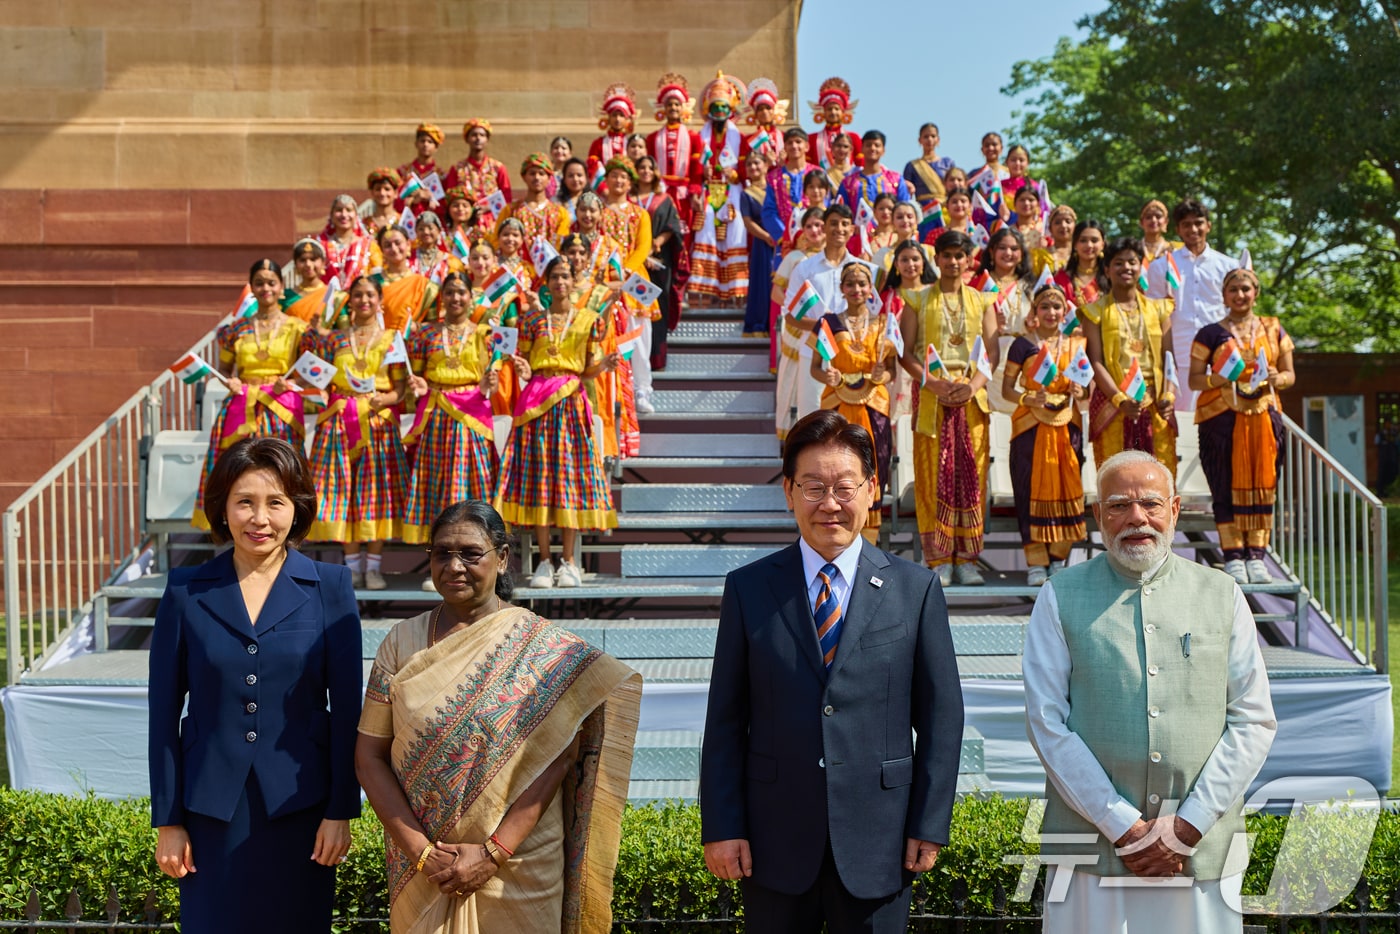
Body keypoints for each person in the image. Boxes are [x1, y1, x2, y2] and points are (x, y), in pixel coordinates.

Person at [700, 408, 964, 934]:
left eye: (844, 487)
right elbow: (726, 720)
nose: (830, 504)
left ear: (871, 491)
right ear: (789, 491)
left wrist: (929, 824)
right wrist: (723, 826)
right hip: (773, 843)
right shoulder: (749, 589)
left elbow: (942, 718)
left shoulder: (916, 590)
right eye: (813, 486)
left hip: (881, 841)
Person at [356, 501, 640, 933]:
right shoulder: (402, 642)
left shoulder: (544, 648)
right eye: (441, 553)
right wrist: (423, 853)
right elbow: (369, 755)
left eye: (471, 553)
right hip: (424, 870)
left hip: (520, 866)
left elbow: (556, 761)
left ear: (502, 557)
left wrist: (493, 853)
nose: (454, 566)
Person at [1023, 450, 1277, 934]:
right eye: (1118, 505)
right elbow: (1046, 722)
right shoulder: (1059, 595)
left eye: (1151, 504)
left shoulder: (1222, 593)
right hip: (1086, 854)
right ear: (1098, 516)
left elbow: (1254, 720)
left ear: (1175, 510)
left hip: (1200, 853)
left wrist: (1187, 826)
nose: (1136, 518)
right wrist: (1125, 826)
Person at [150, 436, 362, 933]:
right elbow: (163, 712)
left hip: (303, 810)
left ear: (298, 509)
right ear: (223, 508)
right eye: (244, 501)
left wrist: (340, 810)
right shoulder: (186, 590)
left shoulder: (330, 588)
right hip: (209, 814)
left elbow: (349, 709)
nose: (259, 518)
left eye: (275, 503)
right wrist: (168, 820)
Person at [495, 257, 619, 589]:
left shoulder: (588, 320)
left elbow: (587, 369)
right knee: (540, 479)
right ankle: (543, 562)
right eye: (555, 276)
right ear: (546, 282)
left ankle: (569, 561)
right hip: (535, 403)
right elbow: (522, 361)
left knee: (569, 480)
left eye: (565, 275)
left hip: (569, 402)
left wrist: (603, 364)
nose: (560, 281)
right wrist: (521, 368)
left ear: (573, 279)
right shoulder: (532, 321)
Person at [896, 229, 1000, 585]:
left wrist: (972, 386)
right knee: (933, 479)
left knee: (970, 479)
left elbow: (993, 351)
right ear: (936, 260)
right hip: (931, 400)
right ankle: (937, 558)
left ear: (969, 260)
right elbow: (905, 352)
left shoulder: (983, 300)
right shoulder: (916, 300)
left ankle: (967, 559)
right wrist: (932, 382)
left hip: (972, 400)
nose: (953, 262)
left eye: (960, 255)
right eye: (947, 255)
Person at [1189, 265, 1295, 585]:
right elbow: (1194, 379)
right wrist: (1216, 378)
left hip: (1263, 417)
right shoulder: (1210, 333)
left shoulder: (1273, 328)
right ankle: (1233, 553)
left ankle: (1257, 555)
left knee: (1263, 486)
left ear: (1256, 293)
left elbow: (1290, 375)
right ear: (1224, 296)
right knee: (1224, 484)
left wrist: (1280, 378)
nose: (1240, 295)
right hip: (1220, 418)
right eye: (1233, 290)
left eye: (1246, 289)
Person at [306, 276, 410, 589]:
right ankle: (351, 566)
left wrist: (387, 398)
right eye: (358, 295)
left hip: (377, 420)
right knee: (342, 489)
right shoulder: (334, 339)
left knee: (375, 490)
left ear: (380, 300)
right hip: (339, 420)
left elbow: (401, 387)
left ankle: (374, 567)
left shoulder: (393, 338)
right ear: (349, 301)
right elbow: (320, 379)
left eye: (370, 295)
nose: (364, 300)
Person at [193, 260, 310, 531]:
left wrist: (290, 382)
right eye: (259, 283)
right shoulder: (235, 329)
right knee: (236, 469)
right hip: (242, 405)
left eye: (271, 282)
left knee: (282, 469)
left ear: (282, 288)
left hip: (279, 407)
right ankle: (234, 528)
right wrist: (229, 382)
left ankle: (287, 529)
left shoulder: (298, 328)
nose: (265, 288)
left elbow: (308, 372)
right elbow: (223, 371)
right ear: (252, 289)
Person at [401, 272, 507, 553]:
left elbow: (493, 372)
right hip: (437, 416)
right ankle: (440, 554)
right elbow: (419, 374)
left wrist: (489, 383)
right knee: (436, 485)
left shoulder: (486, 335)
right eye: (450, 292)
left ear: (471, 298)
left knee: (475, 483)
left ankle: (480, 552)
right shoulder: (426, 333)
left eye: (461, 292)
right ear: (442, 298)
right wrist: (421, 384)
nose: (455, 298)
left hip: (472, 416)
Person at [1000, 283, 1088, 586]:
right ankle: (1035, 561)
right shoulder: (1022, 344)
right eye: (1045, 307)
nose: (1051, 312)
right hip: (1029, 427)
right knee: (1028, 493)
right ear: (1034, 312)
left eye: (1056, 307)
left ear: (1065, 312)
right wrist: (1027, 399)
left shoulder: (1077, 344)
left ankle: (1059, 558)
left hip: (1067, 425)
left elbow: (1085, 388)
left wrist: (1081, 389)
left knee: (1069, 492)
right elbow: (1007, 389)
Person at [810, 263, 896, 541]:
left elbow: (893, 368)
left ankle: (869, 539)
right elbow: (815, 367)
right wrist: (828, 375)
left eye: (862, 284)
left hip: (874, 405)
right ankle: (835, 532)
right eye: (851, 284)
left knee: (874, 464)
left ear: (870, 289)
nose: (857, 289)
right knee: (835, 464)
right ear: (842, 288)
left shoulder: (884, 323)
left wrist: (885, 373)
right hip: (837, 401)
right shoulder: (829, 322)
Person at [1083, 236, 1179, 478]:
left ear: (1141, 268)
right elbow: (1095, 361)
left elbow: (1169, 358)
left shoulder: (1160, 309)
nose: (1126, 267)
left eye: (1132, 262)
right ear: (1107, 269)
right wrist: (1120, 400)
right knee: (1116, 476)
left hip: (1156, 402)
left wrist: (1168, 394)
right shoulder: (1094, 312)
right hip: (1112, 401)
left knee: (1159, 476)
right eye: (1118, 263)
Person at [778, 204, 869, 437]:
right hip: (815, 354)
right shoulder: (806, 268)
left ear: (852, 230)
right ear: (825, 227)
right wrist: (824, 327)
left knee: (851, 427)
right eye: (834, 223)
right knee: (812, 423)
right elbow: (790, 315)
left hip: (855, 357)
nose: (839, 228)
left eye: (845, 224)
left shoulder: (863, 270)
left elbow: (872, 313)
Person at [1146, 199, 1238, 402]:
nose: (1193, 229)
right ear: (1178, 229)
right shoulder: (1161, 267)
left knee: (1220, 415)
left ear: (1208, 225)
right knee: (1183, 419)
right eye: (1186, 225)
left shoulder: (1229, 266)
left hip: (1219, 352)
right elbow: (1153, 316)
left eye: (1198, 223)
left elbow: (1236, 311)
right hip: (1180, 351)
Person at [690, 72, 751, 306]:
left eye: (723, 107)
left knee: (735, 235)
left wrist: (736, 174)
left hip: (731, 193)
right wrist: (700, 174)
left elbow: (747, 167)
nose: (719, 112)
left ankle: (736, 293)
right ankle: (705, 291)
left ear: (731, 109)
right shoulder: (699, 137)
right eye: (715, 107)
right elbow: (693, 167)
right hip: (707, 192)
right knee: (705, 233)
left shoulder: (740, 138)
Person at [647, 73, 704, 307]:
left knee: (684, 241)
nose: (673, 107)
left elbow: (697, 168)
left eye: (676, 104)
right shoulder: (653, 138)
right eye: (669, 104)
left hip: (683, 198)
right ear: (663, 107)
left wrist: (695, 193)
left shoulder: (694, 138)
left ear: (683, 108)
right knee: (658, 239)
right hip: (660, 197)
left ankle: (683, 291)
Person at [978, 228, 1037, 414]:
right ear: (991, 251)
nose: (1008, 253)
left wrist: (1033, 325)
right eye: (1002, 248)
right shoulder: (978, 284)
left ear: (1021, 254)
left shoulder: (1031, 287)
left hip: (1023, 358)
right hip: (988, 356)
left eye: (1014, 248)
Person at [633, 154, 684, 356]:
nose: (646, 171)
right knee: (637, 307)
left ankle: (657, 357)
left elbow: (672, 227)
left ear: (655, 172)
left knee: (658, 306)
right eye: (642, 167)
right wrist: (640, 255)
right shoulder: (628, 200)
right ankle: (636, 358)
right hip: (635, 263)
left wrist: (655, 246)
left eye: (649, 167)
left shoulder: (665, 199)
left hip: (659, 261)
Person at [770, 206, 825, 378]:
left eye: (818, 224)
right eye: (808, 226)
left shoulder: (837, 258)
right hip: (798, 323)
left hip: (827, 323)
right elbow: (776, 292)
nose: (814, 230)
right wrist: (794, 310)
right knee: (793, 372)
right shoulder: (794, 257)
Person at [762, 128, 820, 265]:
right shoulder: (774, 177)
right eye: (790, 143)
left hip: (815, 239)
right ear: (785, 147)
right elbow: (768, 211)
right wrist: (786, 236)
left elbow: (825, 205)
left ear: (807, 146)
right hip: (785, 242)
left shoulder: (817, 174)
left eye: (798, 142)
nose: (794, 146)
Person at [444, 118, 511, 234]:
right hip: (465, 225)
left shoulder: (498, 168)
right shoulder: (457, 169)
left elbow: (507, 198)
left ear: (487, 139)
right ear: (467, 139)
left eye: (482, 135)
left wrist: (488, 207)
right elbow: (449, 199)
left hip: (492, 224)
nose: (478, 138)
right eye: (474, 135)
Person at [494, 153, 571, 251]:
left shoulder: (560, 213)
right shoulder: (510, 210)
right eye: (532, 173)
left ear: (549, 178)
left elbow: (563, 245)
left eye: (541, 173)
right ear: (524, 177)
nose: (537, 177)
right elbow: (496, 241)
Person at [374, 225, 440, 332]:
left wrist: (416, 327)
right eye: (387, 245)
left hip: (413, 344)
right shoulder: (372, 283)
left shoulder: (424, 285)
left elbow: (434, 325)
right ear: (381, 250)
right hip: (379, 344)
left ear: (408, 244)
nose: (394, 249)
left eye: (398, 243)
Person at [740, 150, 775, 336]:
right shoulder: (746, 194)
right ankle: (759, 325)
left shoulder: (775, 188)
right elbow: (748, 222)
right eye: (749, 164)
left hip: (780, 240)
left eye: (757, 163)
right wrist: (767, 237)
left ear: (766, 165)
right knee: (761, 283)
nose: (753, 167)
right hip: (762, 243)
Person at [839, 130, 911, 214]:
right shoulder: (848, 183)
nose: (872, 148)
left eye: (877, 145)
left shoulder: (896, 179)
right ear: (862, 149)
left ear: (883, 150)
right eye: (868, 145)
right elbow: (842, 213)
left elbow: (905, 209)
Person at [282, 239, 347, 325]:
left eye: (313, 259)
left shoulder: (335, 296)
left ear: (323, 263)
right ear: (295, 265)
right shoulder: (285, 296)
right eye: (302, 260)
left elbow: (344, 332)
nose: (308, 264)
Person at [806, 76, 863, 171]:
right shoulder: (812, 139)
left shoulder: (854, 138)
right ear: (823, 112)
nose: (833, 112)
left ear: (843, 112)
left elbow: (861, 166)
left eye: (837, 109)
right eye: (829, 109)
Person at [316, 194, 375, 284]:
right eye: (339, 210)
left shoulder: (368, 245)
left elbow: (377, 276)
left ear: (356, 215)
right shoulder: (321, 246)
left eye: (349, 210)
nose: (344, 215)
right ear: (331, 215)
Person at [587, 83, 637, 182]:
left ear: (627, 119)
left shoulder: (633, 144)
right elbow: (592, 168)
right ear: (608, 118)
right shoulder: (598, 144)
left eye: (621, 115)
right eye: (614, 115)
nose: (617, 119)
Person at [1053, 219, 1107, 309]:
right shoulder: (1061, 278)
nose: (1089, 245)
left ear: (1102, 245)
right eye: (1083, 240)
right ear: (1074, 244)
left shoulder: (1111, 277)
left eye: (1094, 240)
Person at [903, 122, 954, 210]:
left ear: (938, 139)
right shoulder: (912, 166)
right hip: (923, 209)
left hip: (945, 208)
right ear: (920, 140)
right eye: (926, 137)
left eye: (933, 136)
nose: (930, 139)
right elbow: (906, 192)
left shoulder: (947, 163)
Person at [740, 76, 786, 165]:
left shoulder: (785, 138)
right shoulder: (748, 140)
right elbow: (743, 167)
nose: (764, 112)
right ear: (755, 114)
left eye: (768, 108)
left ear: (774, 111)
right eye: (760, 109)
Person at [396, 123, 445, 206]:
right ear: (416, 144)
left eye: (430, 142)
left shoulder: (441, 174)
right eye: (422, 141)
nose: (425, 144)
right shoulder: (403, 171)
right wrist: (413, 199)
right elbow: (396, 199)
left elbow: (444, 203)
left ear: (436, 147)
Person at [409, 211, 464, 283]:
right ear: (416, 231)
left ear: (439, 230)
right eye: (421, 229)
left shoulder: (450, 261)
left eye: (430, 228)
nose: (426, 232)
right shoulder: (408, 258)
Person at [363, 167, 405, 237]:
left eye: (387, 189)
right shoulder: (364, 224)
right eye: (378, 189)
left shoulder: (403, 221)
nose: (382, 193)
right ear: (372, 193)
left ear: (396, 193)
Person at [1138, 198, 1182, 263]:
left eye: (1158, 216)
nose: (1153, 220)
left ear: (1166, 222)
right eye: (1148, 217)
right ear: (1141, 222)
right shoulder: (1134, 249)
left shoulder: (1176, 249)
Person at [554, 157, 589, 221]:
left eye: (579, 175)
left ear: (586, 178)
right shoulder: (556, 202)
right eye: (570, 176)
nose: (575, 179)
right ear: (564, 179)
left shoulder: (594, 201)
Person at [1045, 204, 1077, 273]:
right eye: (1057, 222)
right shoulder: (1043, 255)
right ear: (1050, 229)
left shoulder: (1082, 252)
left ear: (1075, 226)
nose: (1063, 225)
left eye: (1068, 221)